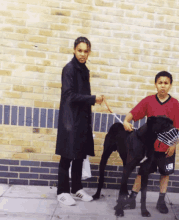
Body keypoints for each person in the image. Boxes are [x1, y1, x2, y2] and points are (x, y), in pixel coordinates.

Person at [123, 71, 179, 214]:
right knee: (142, 173)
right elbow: (133, 113)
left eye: (166, 83)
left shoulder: (175, 104)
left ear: (170, 85)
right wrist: (126, 121)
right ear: (155, 84)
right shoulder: (148, 101)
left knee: (165, 174)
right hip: (149, 147)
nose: (163, 86)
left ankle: (161, 201)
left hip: (167, 148)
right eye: (160, 83)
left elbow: (178, 126)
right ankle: (132, 199)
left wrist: (173, 144)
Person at [56, 37, 103, 206]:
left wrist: (91, 101)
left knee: (79, 156)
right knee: (67, 156)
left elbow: (81, 97)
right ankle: (62, 192)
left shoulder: (85, 70)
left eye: (86, 51)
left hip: (82, 120)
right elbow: (68, 96)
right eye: (80, 50)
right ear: (74, 50)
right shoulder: (68, 69)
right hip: (69, 120)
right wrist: (92, 99)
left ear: (89, 52)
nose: (83, 54)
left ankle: (76, 188)